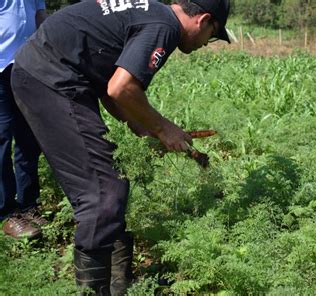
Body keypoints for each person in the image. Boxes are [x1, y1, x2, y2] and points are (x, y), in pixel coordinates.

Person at [11, 0, 230, 294]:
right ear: (203, 20)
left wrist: (145, 128)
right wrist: (164, 127)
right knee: (104, 193)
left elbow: (110, 85)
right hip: (50, 79)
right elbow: (122, 87)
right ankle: (94, 290)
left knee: (110, 184)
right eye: (213, 36)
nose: (207, 44)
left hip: (49, 73)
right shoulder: (164, 27)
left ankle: (119, 284)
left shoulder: (149, 12)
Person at [0, 0, 48, 239]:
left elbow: (40, 17)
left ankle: (29, 205)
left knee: (29, 139)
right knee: (1, 139)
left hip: (27, 68)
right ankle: (7, 213)